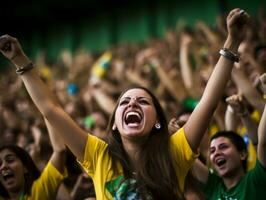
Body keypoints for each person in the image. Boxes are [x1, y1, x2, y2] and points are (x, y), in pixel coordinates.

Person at [0, 8, 249, 199]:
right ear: (116, 125)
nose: (132, 105)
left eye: (143, 101)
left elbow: (207, 101)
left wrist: (231, 42)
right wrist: (20, 60)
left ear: (159, 123)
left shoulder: (175, 152)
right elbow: (51, 110)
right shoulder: (98, 156)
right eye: (125, 102)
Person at [192, 73, 266, 199]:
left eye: (223, 147)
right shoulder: (214, 187)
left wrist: (243, 114)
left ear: (243, 154)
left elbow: (262, 141)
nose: (216, 153)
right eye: (212, 150)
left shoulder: (256, 180)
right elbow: (183, 152)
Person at [0, 120, 67, 200]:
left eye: (10, 160)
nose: (3, 166)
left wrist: (47, 113)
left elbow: (59, 150)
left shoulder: (38, 192)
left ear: (25, 168)